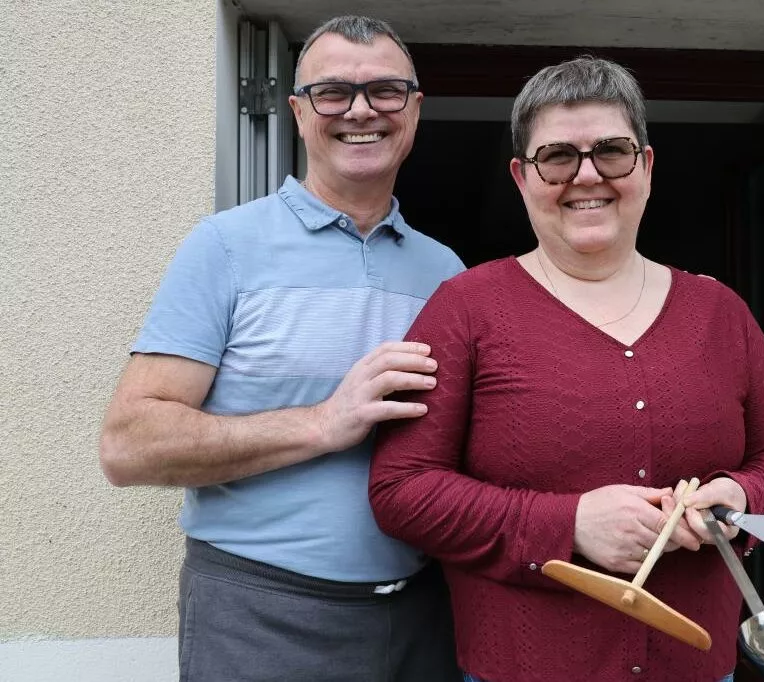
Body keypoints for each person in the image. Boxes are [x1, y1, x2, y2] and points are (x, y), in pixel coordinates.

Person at [369, 56, 764, 682]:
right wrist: (567, 525)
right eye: (557, 157)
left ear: (647, 167)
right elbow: (402, 491)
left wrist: (737, 498)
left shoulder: (719, 312)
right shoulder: (467, 308)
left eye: (611, 151)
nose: (586, 175)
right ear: (522, 177)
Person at [99, 15, 462, 682]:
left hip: (421, 617)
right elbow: (128, 446)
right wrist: (325, 422)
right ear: (298, 112)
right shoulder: (226, 246)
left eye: (386, 91)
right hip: (261, 615)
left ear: (414, 111)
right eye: (333, 92)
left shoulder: (447, 273)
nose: (361, 110)